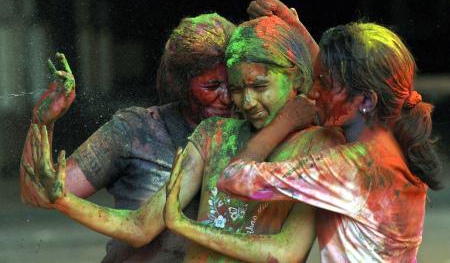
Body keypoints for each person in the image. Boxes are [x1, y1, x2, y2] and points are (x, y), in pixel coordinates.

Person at [25, 15, 345, 262]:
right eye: (229, 88)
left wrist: (185, 225)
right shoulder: (190, 133)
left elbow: (285, 253)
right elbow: (136, 225)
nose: (240, 101)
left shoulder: (313, 143)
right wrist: (62, 195)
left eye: (256, 86)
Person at [218, 20, 445, 262]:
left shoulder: (347, 168)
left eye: (322, 83)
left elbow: (234, 178)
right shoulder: (399, 147)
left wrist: (283, 122)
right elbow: (347, 82)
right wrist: (298, 28)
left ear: (367, 101)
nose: (312, 92)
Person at [20, 13, 235, 262]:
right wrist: (42, 121)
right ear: (182, 83)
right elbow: (38, 192)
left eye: (236, 85)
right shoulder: (137, 131)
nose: (228, 98)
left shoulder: (255, 132)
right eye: (211, 87)